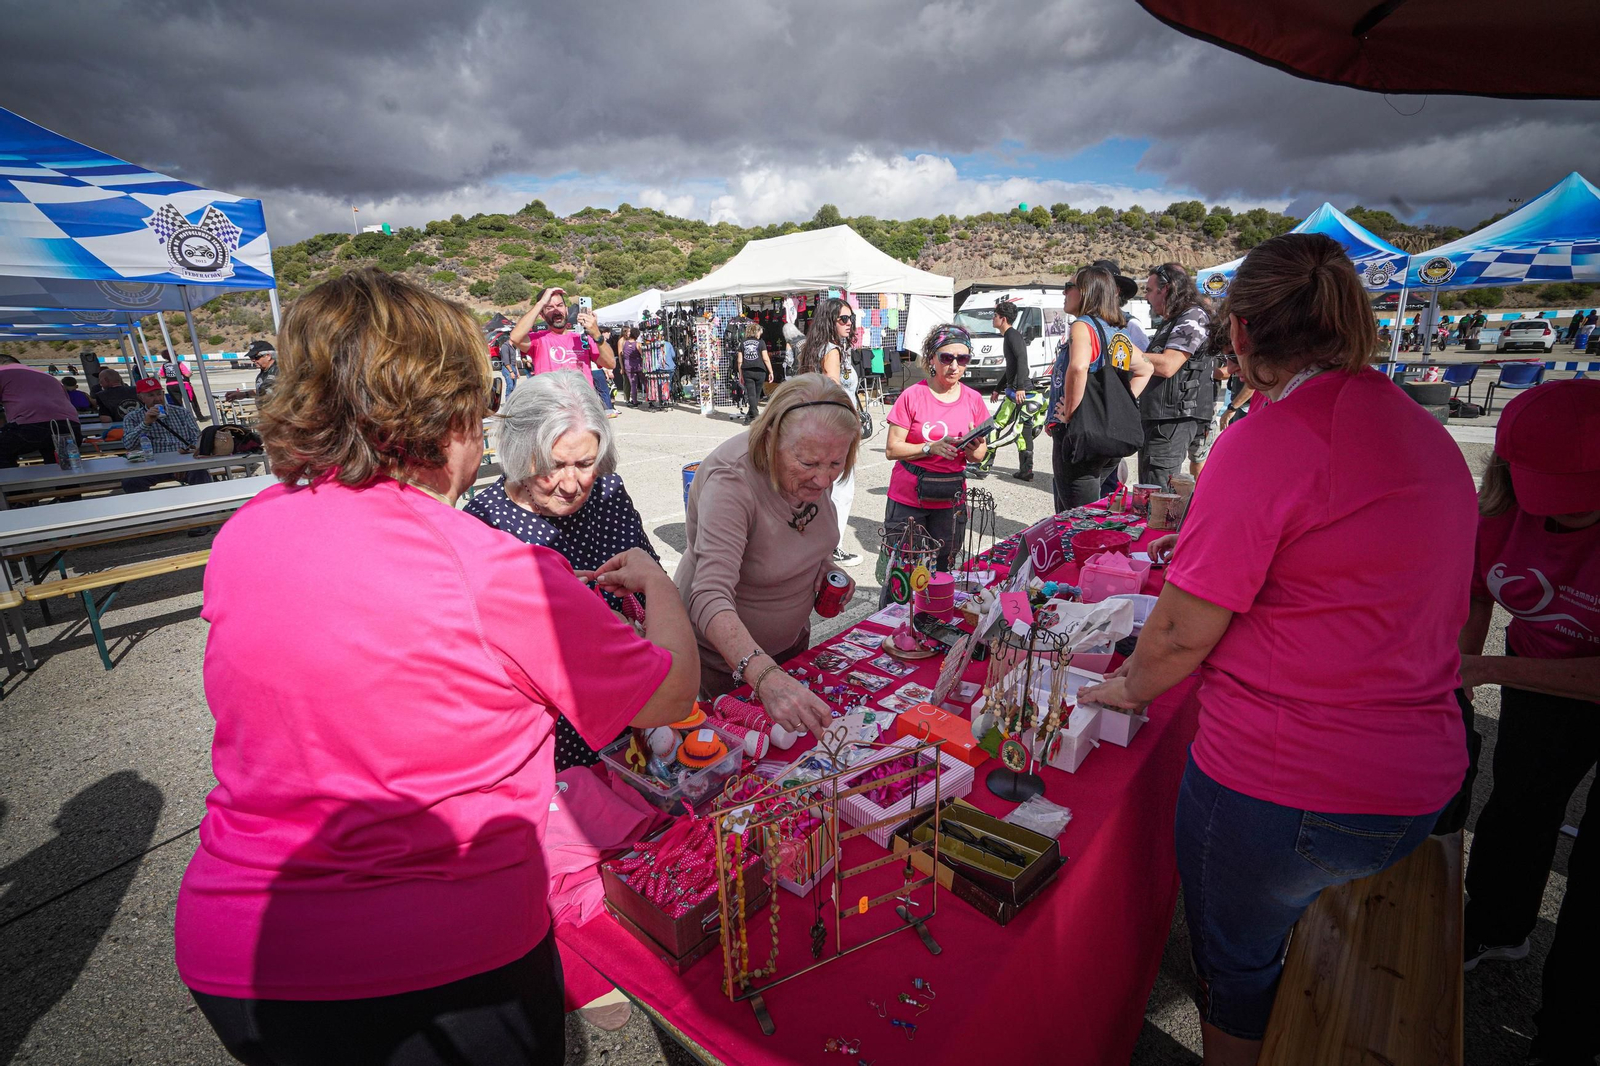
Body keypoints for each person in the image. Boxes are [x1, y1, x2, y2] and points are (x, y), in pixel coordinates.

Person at [176, 269, 698, 1066]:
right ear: (451, 412)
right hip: (440, 966)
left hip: (242, 947)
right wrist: (659, 583)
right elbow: (671, 694)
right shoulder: (492, 568)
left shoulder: (247, 532)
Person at [1082, 232, 1476, 1066]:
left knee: (1236, 970)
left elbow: (1185, 628)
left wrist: (1125, 687)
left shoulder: (1272, 439)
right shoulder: (1420, 430)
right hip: (1422, 775)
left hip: (1288, 784)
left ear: (1241, 334)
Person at [1457, 380, 1600, 1066]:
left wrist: (1487, 674)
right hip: (1538, 671)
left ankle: (1569, 1033)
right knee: (1516, 803)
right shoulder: (1498, 509)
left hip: (1545, 673)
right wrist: (1454, 672)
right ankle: (1495, 926)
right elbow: (1478, 596)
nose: (1556, 511)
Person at [465, 370, 662, 770]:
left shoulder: (607, 493)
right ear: (521, 452)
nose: (571, 485)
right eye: (554, 466)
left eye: (585, 463)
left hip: (633, 715)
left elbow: (650, 581)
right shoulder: (485, 523)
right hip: (549, 737)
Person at [676, 374, 857, 731]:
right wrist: (766, 677)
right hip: (727, 663)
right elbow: (709, 595)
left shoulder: (813, 454)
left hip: (790, 646)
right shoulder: (732, 481)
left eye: (835, 464)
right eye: (808, 464)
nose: (822, 481)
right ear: (772, 438)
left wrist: (824, 565)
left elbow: (800, 536)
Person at [880, 325, 989, 601]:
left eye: (962, 359)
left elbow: (980, 456)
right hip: (909, 500)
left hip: (950, 501)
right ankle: (894, 627)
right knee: (905, 574)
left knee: (942, 572)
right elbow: (892, 449)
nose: (954, 365)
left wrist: (975, 449)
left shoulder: (974, 400)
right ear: (931, 358)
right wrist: (930, 447)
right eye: (946, 358)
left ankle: (933, 626)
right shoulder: (912, 396)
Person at [1044, 266, 1153, 511]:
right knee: (1089, 510)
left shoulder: (1082, 326)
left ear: (1085, 292)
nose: (1064, 293)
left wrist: (1071, 412)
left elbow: (1079, 367)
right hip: (1105, 438)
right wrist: (1114, 407)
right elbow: (1145, 368)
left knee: (1075, 518)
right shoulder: (1114, 332)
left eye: (1068, 287)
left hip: (1080, 435)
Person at [798, 297, 863, 566]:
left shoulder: (812, 348)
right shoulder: (832, 351)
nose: (849, 324)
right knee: (842, 487)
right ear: (830, 321)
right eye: (843, 319)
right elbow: (836, 388)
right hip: (837, 427)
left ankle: (814, 542)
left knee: (820, 485)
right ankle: (832, 546)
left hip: (816, 424)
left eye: (851, 319)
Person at [1138, 263, 1214, 487]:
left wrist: (1128, 355)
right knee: (1150, 489)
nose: (1146, 296)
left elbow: (1169, 365)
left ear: (1167, 289)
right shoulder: (1173, 320)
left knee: (1158, 494)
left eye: (1150, 290)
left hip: (1173, 419)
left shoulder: (1193, 316)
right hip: (1162, 418)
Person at [509, 287, 617, 395]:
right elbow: (515, 337)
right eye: (549, 307)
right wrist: (541, 303)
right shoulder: (539, 340)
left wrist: (597, 334)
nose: (556, 310)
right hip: (551, 407)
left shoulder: (583, 339)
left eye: (560, 305)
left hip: (582, 407)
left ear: (566, 309)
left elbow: (610, 364)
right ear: (541, 314)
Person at [119, 377, 210, 492]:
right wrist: (146, 423)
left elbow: (197, 439)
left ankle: (205, 506)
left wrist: (186, 462)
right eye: (151, 395)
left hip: (183, 463)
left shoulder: (181, 412)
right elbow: (128, 445)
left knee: (200, 473)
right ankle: (149, 509)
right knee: (130, 481)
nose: (157, 399)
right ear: (141, 398)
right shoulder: (132, 417)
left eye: (159, 394)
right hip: (152, 465)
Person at [984, 298, 1040, 482]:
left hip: (1018, 392)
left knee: (996, 425)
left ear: (1003, 319)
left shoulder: (1012, 336)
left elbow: (1022, 360)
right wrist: (997, 388)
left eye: (995, 316)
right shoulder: (1010, 335)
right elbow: (1011, 367)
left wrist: (1020, 388)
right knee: (1023, 430)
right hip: (1015, 389)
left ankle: (983, 465)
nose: (993, 319)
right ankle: (1026, 471)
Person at [0, 354, 82, 467]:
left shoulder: (2, 372)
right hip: (70, 427)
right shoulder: (47, 376)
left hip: (29, 427)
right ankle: (68, 484)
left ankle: (11, 483)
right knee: (62, 465)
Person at [737, 320, 774, 425]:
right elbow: (766, 358)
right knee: (756, 395)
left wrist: (740, 374)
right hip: (760, 370)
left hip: (747, 370)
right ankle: (756, 417)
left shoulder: (742, 343)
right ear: (757, 332)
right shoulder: (761, 343)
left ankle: (750, 416)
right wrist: (771, 371)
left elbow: (739, 361)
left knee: (752, 395)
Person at [620, 326, 646, 407]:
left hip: (628, 366)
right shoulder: (637, 344)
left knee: (633, 384)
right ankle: (650, 398)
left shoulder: (624, 343)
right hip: (638, 366)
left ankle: (634, 401)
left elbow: (622, 354)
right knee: (645, 382)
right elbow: (643, 355)